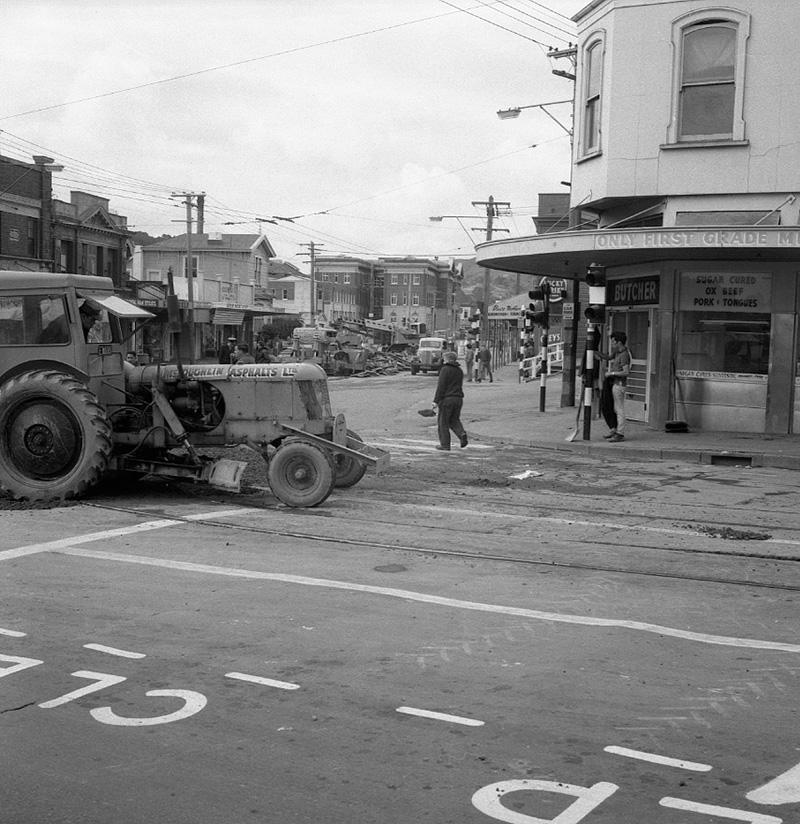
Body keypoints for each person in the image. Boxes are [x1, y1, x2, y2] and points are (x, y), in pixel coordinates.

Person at [597, 330, 631, 442]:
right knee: (612, 407)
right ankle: (615, 429)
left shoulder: (625, 355)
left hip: (619, 384)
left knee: (619, 408)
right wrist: (596, 353)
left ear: (619, 342)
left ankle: (620, 433)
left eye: (613, 342)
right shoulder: (617, 352)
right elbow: (608, 357)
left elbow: (626, 372)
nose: (612, 344)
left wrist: (611, 373)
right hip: (613, 383)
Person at [432, 351, 468, 451]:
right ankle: (461, 434)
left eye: (444, 359)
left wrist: (436, 401)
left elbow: (441, 387)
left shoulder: (445, 370)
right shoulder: (459, 370)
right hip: (458, 399)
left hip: (447, 399)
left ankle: (445, 445)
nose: (443, 361)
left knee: (443, 423)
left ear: (447, 359)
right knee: (454, 420)